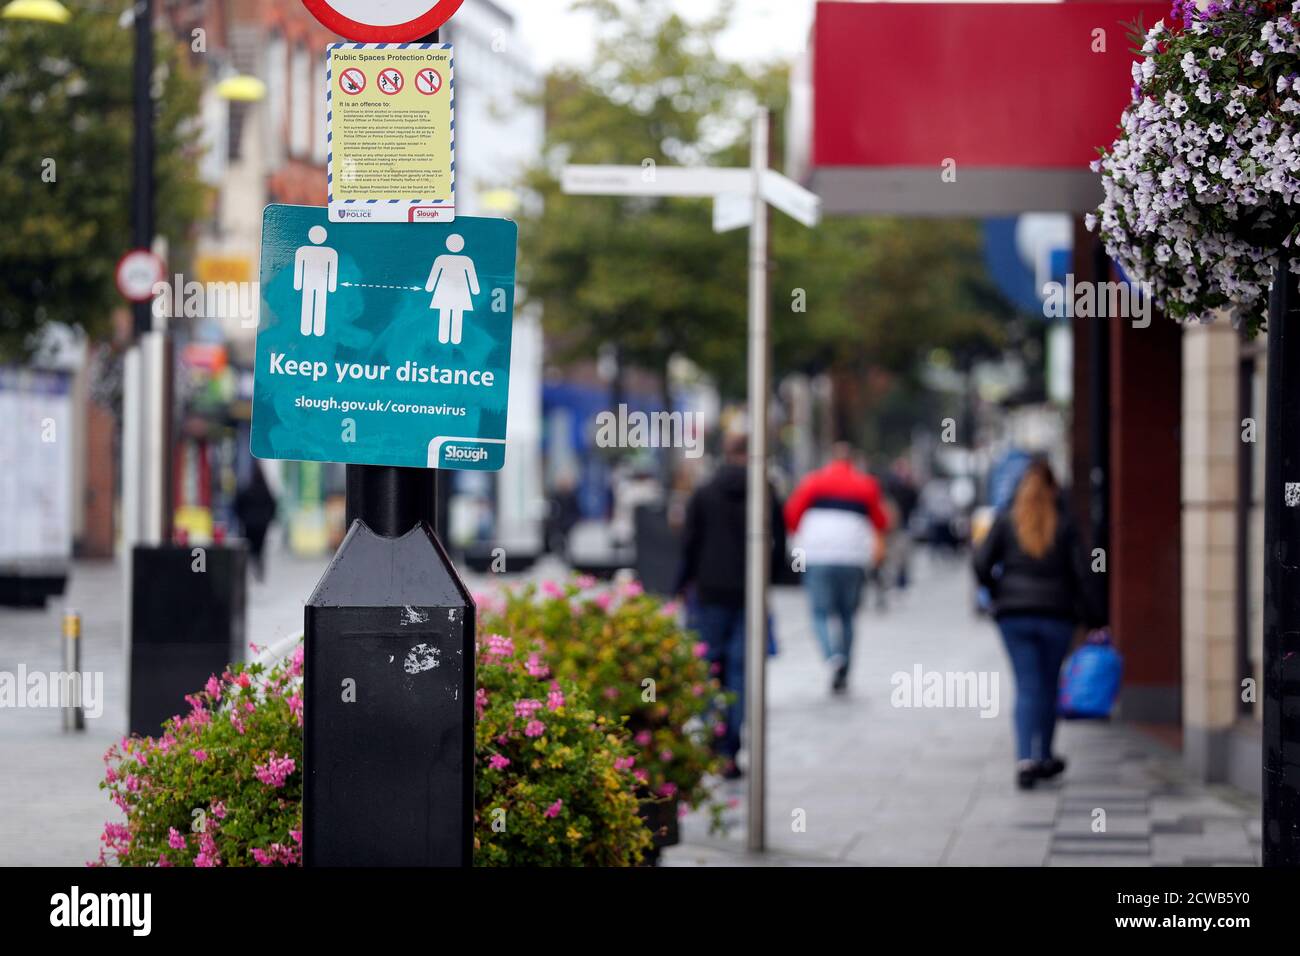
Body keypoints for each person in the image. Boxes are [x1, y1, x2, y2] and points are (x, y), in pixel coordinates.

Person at [972, 459, 1103, 790]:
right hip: (1057, 615)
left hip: (1014, 616)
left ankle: (1026, 759)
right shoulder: (1065, 523)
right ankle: (1041, 755)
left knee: (1027, 685)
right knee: (1048, 685)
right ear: (1054, 489)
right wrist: (1095, 617)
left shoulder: (1006, 520)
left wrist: (998, 591)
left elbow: (981, 562)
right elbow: (1083, 573)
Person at [675, 432, 786, 779]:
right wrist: (770, 577)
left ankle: (714, 739)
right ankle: (730, 747)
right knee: (741, 672)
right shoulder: (765, 492)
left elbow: (689, 544)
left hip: (709, 593)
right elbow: (780, 542)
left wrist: (680, 585)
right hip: (748, 593)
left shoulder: (705, 491)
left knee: (708, 670)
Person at [785, 442, 891, 693]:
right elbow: (881, 521)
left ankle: (832, 656)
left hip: (818, 556)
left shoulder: (813, 482)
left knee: (819, 613)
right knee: (847, 616)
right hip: (854, 559)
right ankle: (845, 667)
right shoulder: (866, 485)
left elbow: (792, 515)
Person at [234, 462, 278, 583]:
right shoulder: (266, 491)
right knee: (260, 550)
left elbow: (238, 504)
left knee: (250, 549)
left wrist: (243, 518)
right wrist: (268, 519)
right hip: (262, 526)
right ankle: (259, 571)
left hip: (249, 525)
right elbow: (273, 506)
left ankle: (250, 571)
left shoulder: (247, 490)